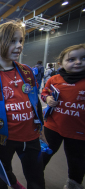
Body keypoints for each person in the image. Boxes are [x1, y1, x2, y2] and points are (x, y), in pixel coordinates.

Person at [0, 21, 45, 189]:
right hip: (3, 140)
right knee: (3, 175)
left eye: (20, 40)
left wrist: (42, 127)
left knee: (36, 178)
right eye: (12, 41)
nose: (19, 45)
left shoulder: (26, 71)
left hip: (31, 136)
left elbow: (35, 101)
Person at [41, 44, 85, 189]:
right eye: (71, 59)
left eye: (83, 58)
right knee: (44, 153)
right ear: (61, 63)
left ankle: (73, 183)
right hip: (53, 127)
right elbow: (44, 92)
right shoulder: (54, 79)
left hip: (79, 132)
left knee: (76, 160)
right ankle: (35, 175)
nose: (78, 62)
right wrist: (47, 99)